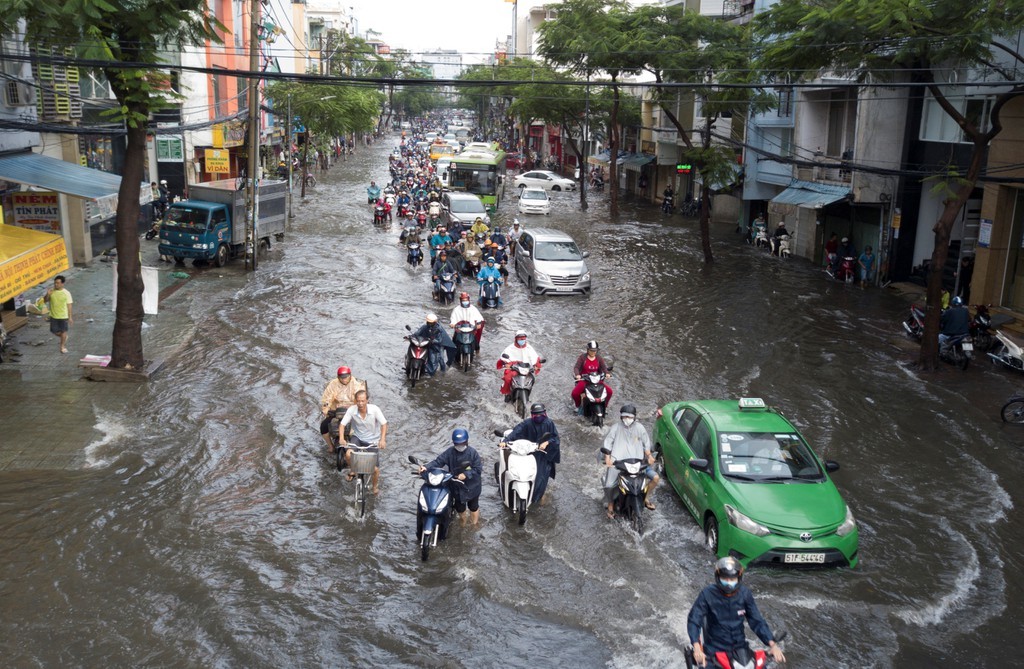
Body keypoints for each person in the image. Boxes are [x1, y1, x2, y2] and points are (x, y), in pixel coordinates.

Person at [687, 557, 785, 667]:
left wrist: (773, 645)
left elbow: (756, 620)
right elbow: (694, 620)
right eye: (725, 579)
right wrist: (696, 647)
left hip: (740, 649)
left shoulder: (745, 594)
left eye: (732, 579)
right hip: (714, 651)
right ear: (718, 577)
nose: (729, 583)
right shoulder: (707, 594)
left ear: (739, 578)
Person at [603, 404, 659, 518]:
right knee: (609, 485)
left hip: (637, 464)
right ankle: (610, 504)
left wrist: (649, 456)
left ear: (634, 417)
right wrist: (608, 458)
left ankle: (646, 498)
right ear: (621, 417)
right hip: (618, 463)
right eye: (625, 417)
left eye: (629, 417)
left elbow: (646, 443)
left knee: (655, 478)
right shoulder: (615, 428)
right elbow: (608, 442)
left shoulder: (640, 428)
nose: (627, 419)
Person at [419, 428, 483, 525]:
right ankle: (463, 524)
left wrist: (466, 474)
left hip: (472, 486)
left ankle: (474, 524)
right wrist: (426, 467)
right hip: (456, 487)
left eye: (462, 443)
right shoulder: (449, 452)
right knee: (460, 509)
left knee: (473, 507)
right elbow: (438, 461)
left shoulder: (473, 453)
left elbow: (478, 469)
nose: (460, 446)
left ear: (466, 442)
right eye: (457, 444)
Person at [504, 403, 561, 503]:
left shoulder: (549, 423)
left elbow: (555, 438)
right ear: (532, 415)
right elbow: (516, 431)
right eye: (536, 415)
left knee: (540, 479)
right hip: (528, 453)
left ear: (544, 414)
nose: (538, 417)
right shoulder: (527, 423)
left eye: (540, 415)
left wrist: (547, 442)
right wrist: (505, 441)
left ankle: (539, 497)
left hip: (543, 455)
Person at [338, 390, 388, 494]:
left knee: (375, 470)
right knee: (348, 454)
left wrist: (382, 440)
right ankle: (352, 470)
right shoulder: (352, 410)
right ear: (355, 401)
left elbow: (384, 424)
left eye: (363, 401)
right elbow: (342, 425)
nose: (360, 404)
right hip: (358, 437)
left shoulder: (375, 410)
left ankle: (375, 487)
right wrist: (341, 438)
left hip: (373, 440)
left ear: (367, 401)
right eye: (358, 401)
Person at [319, 366, 368, 452]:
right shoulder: (333, 384)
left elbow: (360, 398)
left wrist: (357, 407)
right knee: (323, 426)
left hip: (352, 409)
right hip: (337, 411)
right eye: (341, 378)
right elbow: (327, 397)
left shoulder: (356, 385)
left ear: (350, 376)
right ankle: (331, 446)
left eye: (346, 377)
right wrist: (326, 408)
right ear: (338, 377)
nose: (344, 379)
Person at [497, 330, 542, 397]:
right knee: (507, 378)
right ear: (516, 339)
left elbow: (535, 358)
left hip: (526, 369)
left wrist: (536, 366)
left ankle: (527, 395)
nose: (522, 340)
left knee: (532, 379)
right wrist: (507, 364)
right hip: (514, 369)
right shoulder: (510, 348)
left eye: (523, 339)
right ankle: (508, 393)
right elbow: (503, 358)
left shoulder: (529, 348)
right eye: (520, 339)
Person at [571, 340, 613, 410]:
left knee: (610, 391)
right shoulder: (582, 357)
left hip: (596, 380)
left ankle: (605, 406)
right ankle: (578, 406)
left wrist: (607, 373)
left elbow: (604, 367)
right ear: (588, 350)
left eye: (595, 350)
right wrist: (577, 374)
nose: (593, 352)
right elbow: (576, 367)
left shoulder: (599, 358)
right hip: (585, 380)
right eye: (592, 350)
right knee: (574, 393)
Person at [44, 275, 73, 354]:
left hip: (63, 316)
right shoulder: (52, 291)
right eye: (55, 283)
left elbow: (69, 305)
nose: (56, 284)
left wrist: (70, 317)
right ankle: (64, 337)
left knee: (63, 330)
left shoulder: (66, 293)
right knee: (54, 331)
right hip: (53, 315)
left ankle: (62, 346)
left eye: (58, 283)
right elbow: (45, 300)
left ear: (62, 284)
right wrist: (48, 294)